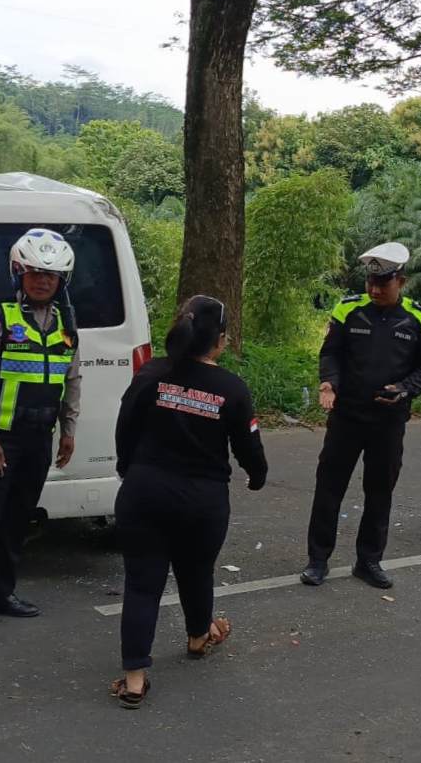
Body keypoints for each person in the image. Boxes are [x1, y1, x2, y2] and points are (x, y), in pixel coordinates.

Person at [110, 295, 267, 709]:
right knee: (197, 571)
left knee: (142, 584)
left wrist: (128, 468)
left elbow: (126, 425)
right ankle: (198, 636)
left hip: (144, 492)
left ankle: (135, 679)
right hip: (202, 502)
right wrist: (257, 476)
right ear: (220, 341)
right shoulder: (232, 389)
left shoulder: (151, 373)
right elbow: (249, 446)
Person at [0, 228, 81, 642]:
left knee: (15, 520)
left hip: (38, 438)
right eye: (35, 272)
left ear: (62, 280)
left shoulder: (66, 323)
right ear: (18, 273)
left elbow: (72, 379)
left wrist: (68, 430)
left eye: (51, 275)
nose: (43, 281)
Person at [299, 242, 421, 590]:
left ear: (401, 282)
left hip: (388, 422)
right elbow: (330, 353)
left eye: (383, 283)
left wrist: (404, 389)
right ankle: (318, 559)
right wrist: (328, 383)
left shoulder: (420, 318)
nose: (375, 290)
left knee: (379, 492)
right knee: (329, 488)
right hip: (346, 417)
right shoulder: (348, 310)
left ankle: (369, 561)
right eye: (370, 282)